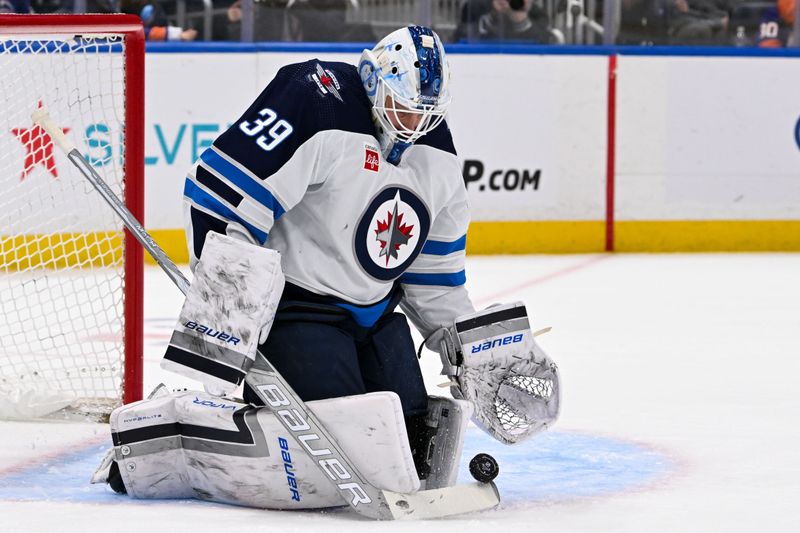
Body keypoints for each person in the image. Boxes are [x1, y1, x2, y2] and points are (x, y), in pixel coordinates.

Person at [96, 25, 560, 511]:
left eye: (425, 114)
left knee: (413, 440)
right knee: (347, 441)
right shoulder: (315, 99)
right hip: (295, 311)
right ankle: (165, 437)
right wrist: (227, 316)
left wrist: (466, 350)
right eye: (404, 106)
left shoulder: (435, 155)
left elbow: (434, 274)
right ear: (373, 78)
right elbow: (220, 192)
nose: (412, 123)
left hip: (374, 317)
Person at [453, 0, 553, 43]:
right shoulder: (475, 15)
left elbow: (546, 43)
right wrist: (494, 15)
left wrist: (520, 21)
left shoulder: (538, 18)